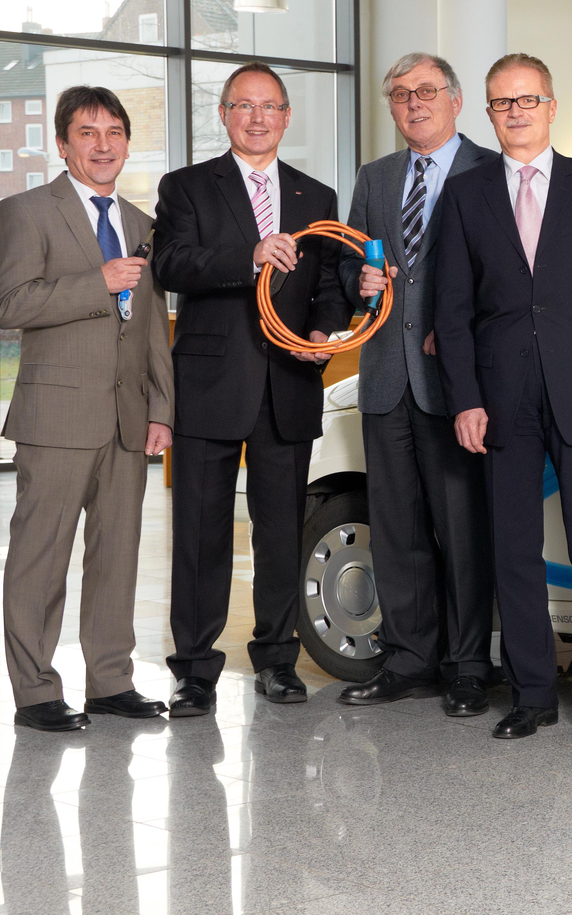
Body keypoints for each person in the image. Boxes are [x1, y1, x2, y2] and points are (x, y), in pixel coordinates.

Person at [435, 53, 572, 748]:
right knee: (514, 550)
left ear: (552, 107)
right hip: (500, 396)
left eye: (528, 99)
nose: (517, 112)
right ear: (488, 114)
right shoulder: (465, 195)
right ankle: (531, 695)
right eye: (503, 102)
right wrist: (465, 399)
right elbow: (452, 310)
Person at [152, 62, 352, 716]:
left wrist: (321, 331)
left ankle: (277, 660)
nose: (257, 117)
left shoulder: (316, 196)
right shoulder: (186, 187)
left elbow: (329, 285)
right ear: (224, 114)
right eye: (244, 105)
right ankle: (194, 670)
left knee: (281, 532)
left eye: (269, 106)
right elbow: (171, 264)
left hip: (288, 384)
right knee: (200, 533)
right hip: (210, 384)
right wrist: (251, 257)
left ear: (286, 117)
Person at [0, 85, 173, 731]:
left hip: (127, 419)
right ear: (63, 145)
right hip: (56, 418)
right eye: (87, 133)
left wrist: (161, 408)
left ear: (127, 143)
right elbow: (10, 305)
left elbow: (152, 326)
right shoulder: (25, 212)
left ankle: (111, 682)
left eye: (114, 132)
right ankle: (36, 691)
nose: (102, 145)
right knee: (40, 557)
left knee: (117, 556)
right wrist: (96, 283)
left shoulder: (142, 224)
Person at [336, 53, 499, 714]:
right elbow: (348, 266)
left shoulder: (490, 171)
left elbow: (506, 278)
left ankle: (467, 665)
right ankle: (408, 660)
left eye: (426, 90)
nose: (414, 102)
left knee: (462, 531)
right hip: (384, 377)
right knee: (396, 530)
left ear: (455, 100)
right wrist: (359, 281)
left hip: (454, 385)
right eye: (401, 93)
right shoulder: (375, 178)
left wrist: (461, 336)